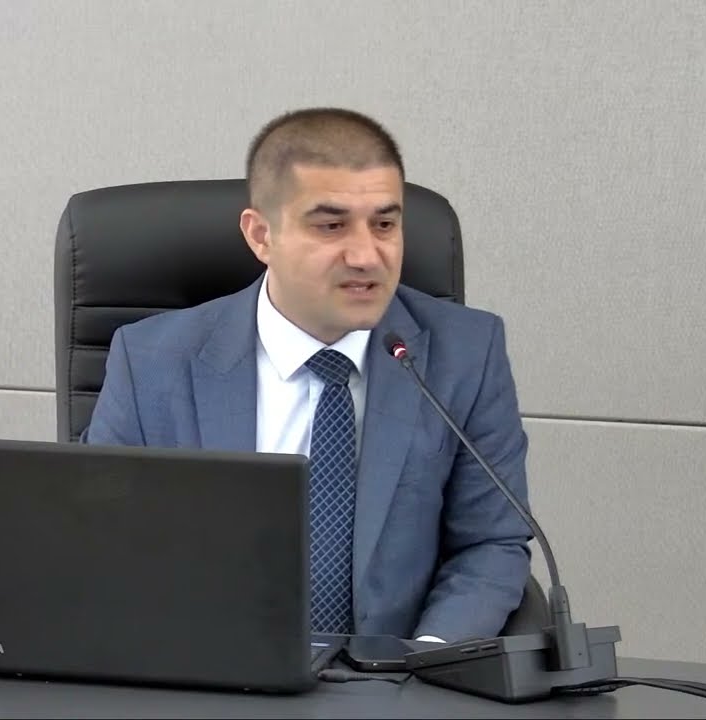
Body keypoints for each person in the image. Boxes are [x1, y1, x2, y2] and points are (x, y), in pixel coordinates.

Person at [83, 107, 533, 643]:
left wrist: (427, 659)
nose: (366, 255)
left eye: (385, 224)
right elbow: (102, 544)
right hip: (207, 670)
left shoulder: (466, 354)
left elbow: (491, 543)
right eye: (331, 226)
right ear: (261, 236)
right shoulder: (151, 362)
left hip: (397, 676)